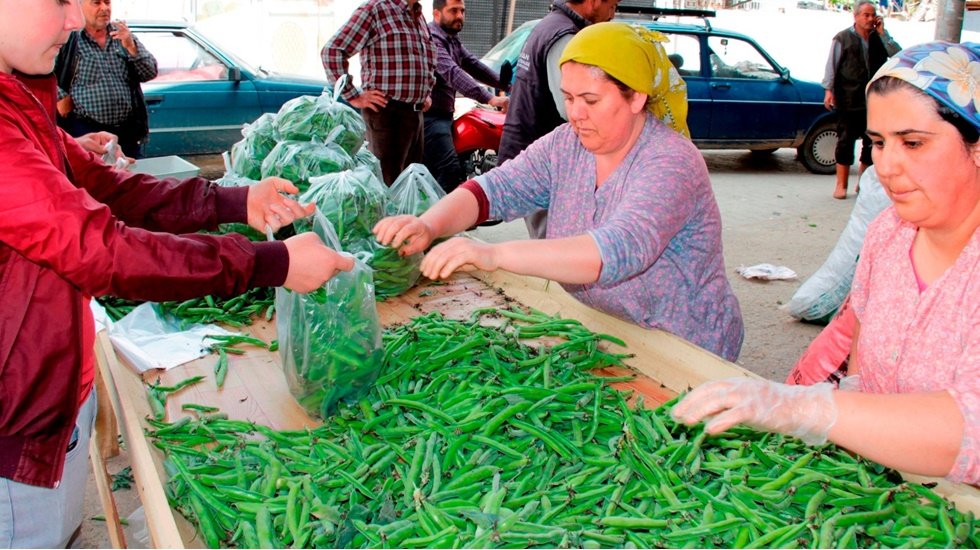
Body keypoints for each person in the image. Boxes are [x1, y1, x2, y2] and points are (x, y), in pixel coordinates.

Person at [0, 1, 355, 547]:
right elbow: (103, 251)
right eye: (60, 0)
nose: (75, 20)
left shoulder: (19, 100)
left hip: (48, 388)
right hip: (15, 419)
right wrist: (272, 263)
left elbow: (115, 189)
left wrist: (236, 201)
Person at [673, 42, 980, 485]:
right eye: (877, 142)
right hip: (887, 494)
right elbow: (861, 357)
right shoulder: (888, 235)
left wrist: (807, 408)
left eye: (912, 143)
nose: (886, 165)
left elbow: (971, 428)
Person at [375, 22, 743, 362]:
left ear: (636, 98)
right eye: (568, 98)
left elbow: (615, 250)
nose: (576, 113)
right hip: (609, 330)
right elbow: (495, 189)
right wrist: (428, 225)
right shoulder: (566, 144)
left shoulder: (671, 162)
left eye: (591, 100)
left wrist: (493, 254)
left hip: (684, 344)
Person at [497, 0, 620, 238]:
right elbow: (571, 109)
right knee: (556, 245)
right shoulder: (564, 36)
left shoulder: (549, 26)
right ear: (594, 2)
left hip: (531, 150)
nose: (612, 15)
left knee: (554, 246)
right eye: (612, 6)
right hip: (544, 162)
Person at [321, 0, 437, 186]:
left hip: (415, 116)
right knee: (387, 186)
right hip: (386, 114)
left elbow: (427, 58)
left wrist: (426, 91)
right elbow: (332, 51)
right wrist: (353, 96)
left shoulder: (419, 16)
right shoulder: (376, 9)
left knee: (410, 187)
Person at [424, 0, 510, 194]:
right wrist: (490, 98)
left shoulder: (451, 39)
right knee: (449, 170)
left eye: (462, 11)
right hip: (431, 117)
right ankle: (438, 219)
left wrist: (508, 85)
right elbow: (453, 73)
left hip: (445, 114)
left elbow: (473, 65)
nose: (460, 16)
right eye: (453, 11)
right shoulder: (433, 39)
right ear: (437, 14)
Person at [54, 0, 158, 158]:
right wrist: (60, 97)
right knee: (95, 179)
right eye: (96, 3)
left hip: (126, 132)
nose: (104, 8)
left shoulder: (122, 35)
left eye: (107, 2)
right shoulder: (68, 39)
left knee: (129, 176)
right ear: (79, 6)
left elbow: (150, 72)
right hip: (86, 131)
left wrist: (131, 47)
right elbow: (40, 73)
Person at [821, 0, 900, 199]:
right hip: (848, 97)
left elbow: (898, 55)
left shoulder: (879, 38)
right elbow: (832, 65)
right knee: (845, 141)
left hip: (875, 99)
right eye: (866, 14)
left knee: (872, 141)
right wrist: (828, 90)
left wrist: (884, 34)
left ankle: (863, 184)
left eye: (873, 15)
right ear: (855, 16)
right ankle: (841, 185)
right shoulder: (842, 38)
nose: (870, 18)